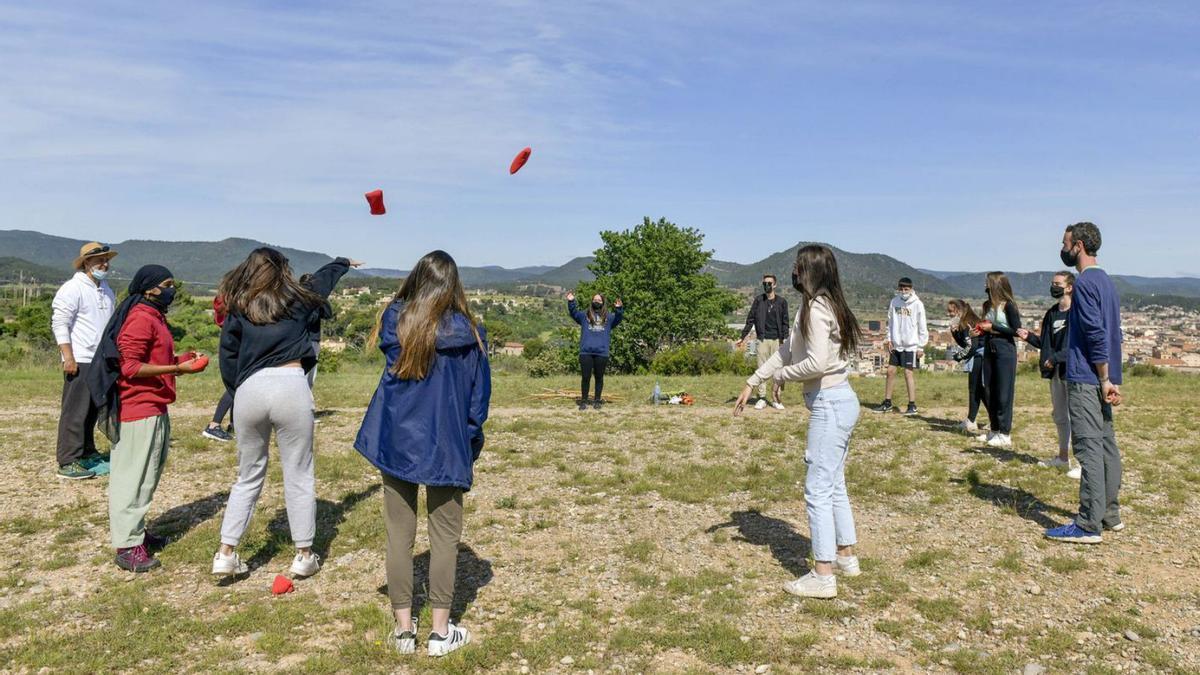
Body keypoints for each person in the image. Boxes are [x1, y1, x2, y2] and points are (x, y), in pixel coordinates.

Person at [354, 250, 490, 657]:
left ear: (415, 279)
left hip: (397, 441)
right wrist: (470, 442)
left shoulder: (396, 323)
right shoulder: (469, 334)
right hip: (447, 444)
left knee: (399, 533)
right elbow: (477, 402)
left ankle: (402, 630)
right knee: (445, 537)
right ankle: (440, 632)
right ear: (453, 287)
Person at [211, 249, 359, 578]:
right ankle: (304, 555)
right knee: (299, 474)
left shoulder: (239, 307)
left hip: (250, 389)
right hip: (291, 386)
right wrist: (342, 263)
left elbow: (228, 355)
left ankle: (225, 552)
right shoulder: (298, 300)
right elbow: (322, 283)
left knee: (247, 476)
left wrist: (238, 391)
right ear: (282, 271)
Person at [734, 244, 864, 599]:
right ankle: (845, 557)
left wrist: (782, 378)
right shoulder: (814, 306)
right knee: (834, 481)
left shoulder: (819, 308)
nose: (793, 272)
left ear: (810, 272)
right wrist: (754, 380)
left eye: (797, 267)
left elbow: (816, 363)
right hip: (839, 401)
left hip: (831, 403)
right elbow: (787, 351)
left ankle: (823, 576)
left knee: (817, 488)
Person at [89, 264, 209, 572]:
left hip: (153, 405)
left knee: (147, 474)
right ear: (149, 289)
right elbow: (129, 366)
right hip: (138, 407)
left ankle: (137, 533)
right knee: (132, 479)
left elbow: (150, 357)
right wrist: (177, 370)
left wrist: (178, 360)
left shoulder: (153, 315)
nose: (172, 289)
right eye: (167, 284)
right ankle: (127, 545)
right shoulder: (141, 318)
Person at [1046, 222, 1124, 544]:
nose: (1062, 249)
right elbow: (1112, 333)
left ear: (1078, 245)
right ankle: (1109, 514)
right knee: (1106, 445)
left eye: (1065, 244)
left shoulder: (1086, 284)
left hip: (1086, 377)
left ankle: (1088, 524)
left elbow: (1095, 334)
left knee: (1088, 447)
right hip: (1103, 377)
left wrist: (1103, 378)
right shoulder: (1107, 282)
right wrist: (1111, 379)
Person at [51, 242, 118, 479]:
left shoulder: (106, 288)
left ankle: (87, 453)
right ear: (86, 263)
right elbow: (60, 323)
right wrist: (67, 357)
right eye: (99, 260)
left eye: (107, 259)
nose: (105, 263)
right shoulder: (72, 289)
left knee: (92, 410)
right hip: (80, 358)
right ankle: (68, 460)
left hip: (100, 359)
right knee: (75, 411)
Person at [1018, 271, 1080, 479]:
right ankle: (1063, 457)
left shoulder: (1077, 312)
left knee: (1078, 417)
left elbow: (1075, 344)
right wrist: (1029, 338)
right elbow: (1046, 343)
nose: (1053, 286)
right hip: (1055, 372)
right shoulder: (1052, 313)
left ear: (1069, 287)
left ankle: (1082, 462)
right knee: (1060, 416)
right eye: (1052, 283)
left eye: (1057, 283)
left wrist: (1056, 358)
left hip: (1072, 371)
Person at [975, 272, 1022, 449]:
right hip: (989, 347)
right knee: (989, 390)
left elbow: (1016, 330)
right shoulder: (987, 305)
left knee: (1003, 392)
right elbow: (985, 325)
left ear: (995, 284)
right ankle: (994, 429)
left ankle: (1005, 432)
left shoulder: (1009, 306)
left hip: (1005, 350)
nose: (985, 285)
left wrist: (993, 327)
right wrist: (980, 330)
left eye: (987, 282)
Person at [873, 277, 928, 416]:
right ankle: (887, 402)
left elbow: (922, 326)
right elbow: (890, 323)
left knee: (908, 373)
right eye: (901, 289)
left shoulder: (917, 304)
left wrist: (921, 346)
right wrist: (889, 339)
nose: (903, 292)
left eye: (906, 289)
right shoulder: (894, 302)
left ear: (911, 289)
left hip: (911, 345)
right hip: (896, 344)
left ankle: (912, 405)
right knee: (890, 371)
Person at [735, 274, 790, 409]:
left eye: (769, 283)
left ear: (775, 285)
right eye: (765, 283)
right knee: (761, 368)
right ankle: (762, 398)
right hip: (762, 339)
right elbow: (750, 320)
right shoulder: (759, 300)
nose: (767, 285)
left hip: (777, 340)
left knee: (778, 370)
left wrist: (785, 340)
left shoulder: (782, 302)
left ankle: (776, 398)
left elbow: (785, 323)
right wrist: (742, 337)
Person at [567, 291, 623, 410]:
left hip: (602, 353)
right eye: (595, 300)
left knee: (599, 377)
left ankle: (597, 401)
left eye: (599, 300)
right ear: (591, 301)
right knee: (585, 377)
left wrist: (619, 309)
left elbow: (618, 319)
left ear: (603, 303)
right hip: (586, 352)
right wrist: (571, 301)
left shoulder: (608, 317)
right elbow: (573, 313)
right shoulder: (584, 316)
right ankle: (584, 401)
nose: (596, 302)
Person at [947, 299, 987, 434]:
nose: (949, 314)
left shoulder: (966, 323)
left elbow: (971, 346)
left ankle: (971, 421)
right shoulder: (966, 322)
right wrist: (954, 332)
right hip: (980, 356)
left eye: (951, 311)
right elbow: (964, 342)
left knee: (975, 389)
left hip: (979, 357)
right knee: (979, 391)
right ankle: (984, 419)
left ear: (959, 310)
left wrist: (957, 357)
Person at [202, 294, 234, 442]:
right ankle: (214, 425)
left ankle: (234, 424)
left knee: (237, 385)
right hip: (235, 343)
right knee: (236, 386)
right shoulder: (233, 306)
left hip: (228, 342)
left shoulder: (222, 300)